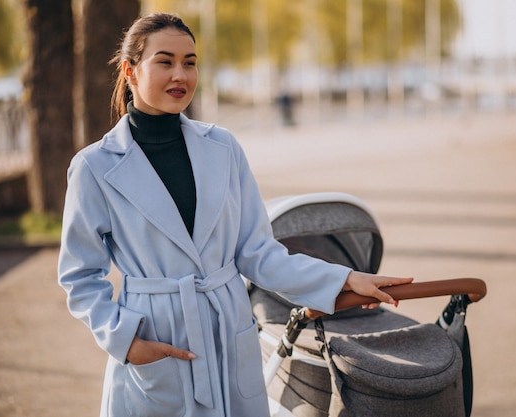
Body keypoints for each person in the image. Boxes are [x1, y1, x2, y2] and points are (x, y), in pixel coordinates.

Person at [57, 12, 413, 417]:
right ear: (131, 71)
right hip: (156, 338)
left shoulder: (222, 148)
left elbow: (259, 254)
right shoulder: (94, 167)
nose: (181, 74)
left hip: (229, 329)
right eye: (165, 61)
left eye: (190, 62)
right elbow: (80, 276)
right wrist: (127, 342)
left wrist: (345, 278)